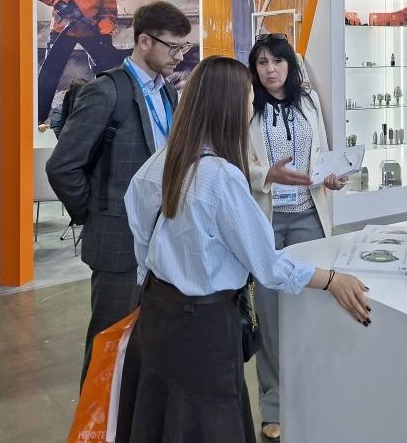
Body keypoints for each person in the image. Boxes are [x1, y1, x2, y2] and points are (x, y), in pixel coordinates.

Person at [117, 56, 371, 442]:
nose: (252, 107)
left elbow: (140, 235)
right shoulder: (220, 177)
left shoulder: (161, 162)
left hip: (157, 316)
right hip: (205, 326)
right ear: (229, 108)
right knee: (211, 421)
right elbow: (268, 265)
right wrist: (332, 279)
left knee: (164, 417)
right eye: (249, 99)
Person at [45, 1, 192, 385]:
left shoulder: (168, 94)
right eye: (173, 47)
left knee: (150, 343)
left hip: (161, 240)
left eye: (183, 47)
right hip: (118, 242)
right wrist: (95, 214)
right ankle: (97, 419)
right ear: (144, 41)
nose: (179, 56)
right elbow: (63, 167)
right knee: (109, 345)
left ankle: (134, 415)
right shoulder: (106, 92)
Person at [245, 34, 346, 442]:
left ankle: (314, 392)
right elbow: (238, 164)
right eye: (262, 63)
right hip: (266, 220)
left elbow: (321, 155)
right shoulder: (247, 107)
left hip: (309, 215)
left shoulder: (310, 102)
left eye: (277, 61)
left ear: (290, 64)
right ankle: (273, 405)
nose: (270, 69)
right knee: (270, 317)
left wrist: (330, 178)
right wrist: (265, 174)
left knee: (311, 306)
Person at [33, 0, 122, 123]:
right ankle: (38, 118)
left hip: (91, 31)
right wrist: (58, 3)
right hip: (62, 30)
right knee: (50, 73)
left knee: (107, 67)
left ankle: (107, 110)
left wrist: (105, 34)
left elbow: (108, 12)